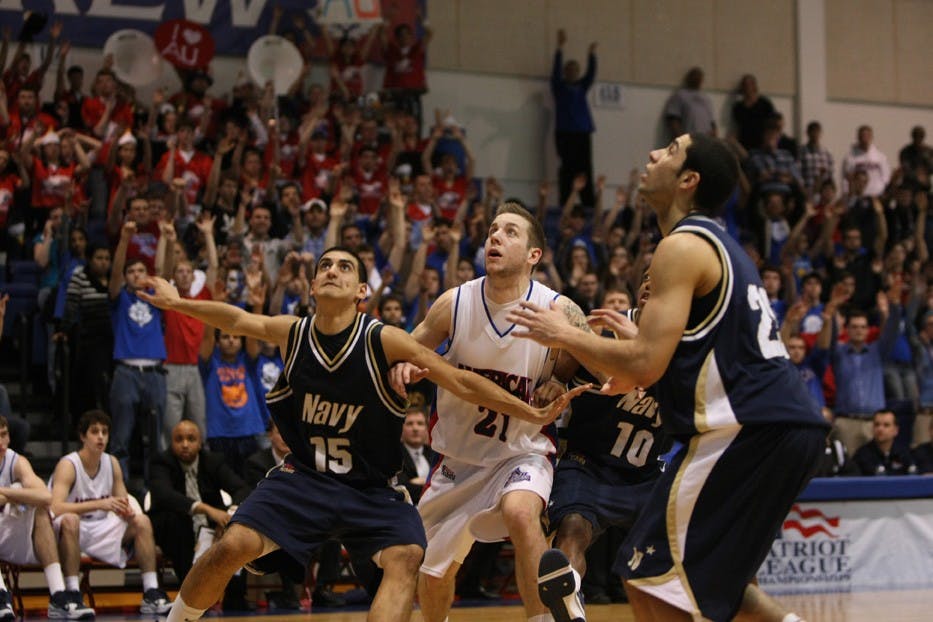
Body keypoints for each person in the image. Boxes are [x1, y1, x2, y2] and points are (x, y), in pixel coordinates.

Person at [136, 246, 584, 622]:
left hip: (372, 489)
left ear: (362, 292)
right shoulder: (294, 334)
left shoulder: (383, 340)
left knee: (409, 556)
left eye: (344, 267)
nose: (331, 271)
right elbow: (235, 320)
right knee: (230, 545)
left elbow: (462, 381)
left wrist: (528, 409)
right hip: (305, 480)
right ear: (312, 287)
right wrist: (177, 304)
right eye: (324, 267)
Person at [507, 133, 826, 622]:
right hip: (783, 427)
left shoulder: (683, 245)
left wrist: (564, 333)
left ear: (688, 180)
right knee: (707, 583)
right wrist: (634, 372)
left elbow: (642, 363)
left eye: (670, 151)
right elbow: (664, 367)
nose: (653, 154)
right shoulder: (722, 248)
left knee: (649, 579)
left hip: (745, 430)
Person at [389, 203, 595, 622]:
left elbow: (598, 364)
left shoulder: (557, 308)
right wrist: (405, 364)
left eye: (510, 232)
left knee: (521, 512)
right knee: (432, 572)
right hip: (457, 461)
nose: (495, 238)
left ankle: (549, 617)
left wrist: (562, 378)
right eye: (492, 231)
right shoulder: (455, 303)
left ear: (534, 255)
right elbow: (404, 348)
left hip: (522, 449)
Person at [537, 272, 670, 620]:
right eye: (644, 277)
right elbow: (574, 349)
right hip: (590, 463)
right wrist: (556, 379)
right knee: (573, 530)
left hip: (645, 473)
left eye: (659, 278)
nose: (648, 283)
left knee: (696, 542)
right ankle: (568, 608)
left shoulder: (682, 343)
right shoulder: (608, 328)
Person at [49, 410, 172, 615]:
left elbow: (121, 502)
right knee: (70, 520)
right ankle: (72, 593)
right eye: (95, 432)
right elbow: (55, 507)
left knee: (142, 521)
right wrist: (100, 504)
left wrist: (127, 512)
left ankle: (151, 591)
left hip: (101, 527)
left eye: (105, 432)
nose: (100, 437)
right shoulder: (68, 465)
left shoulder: (111, 462)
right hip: (72, 530)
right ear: (82, 436)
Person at [0, 415, 93, 620]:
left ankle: (59, 595)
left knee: (41, 509)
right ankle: (1, 597)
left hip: (11, 534)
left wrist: (6, 493)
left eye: (4, 435)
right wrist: (19, 493)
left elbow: (45, 496)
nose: (1, 442)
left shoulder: (16, 460)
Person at [148, 420, 252, 593]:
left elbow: (242, 488)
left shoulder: (213, 461)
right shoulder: (161, 462)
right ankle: (190, 593)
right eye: (179, 439)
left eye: (191, 439)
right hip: (174, 528)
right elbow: (163, 495)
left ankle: (236, 598)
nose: (185, 444)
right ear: (171, 442)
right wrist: (205, 509)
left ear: (200, 442)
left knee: (236, 528)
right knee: (178, 524)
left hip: (211, 527)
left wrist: (230, 516)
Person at [551, 29, 597, 207]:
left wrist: (591, 55)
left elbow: (591, 75)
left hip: (582, 133)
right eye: (569, 70)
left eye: (575, 70)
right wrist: (559, 48)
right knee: (567, 169)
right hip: (564, 133)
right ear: (565, 72)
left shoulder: (581, 87)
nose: (572, 72)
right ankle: (565, 203)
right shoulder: (558, 87)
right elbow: (555, 72)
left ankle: (588, 204)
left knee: (585, 168)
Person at [851, 410, 917, 476]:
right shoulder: (862, 455)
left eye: (886, 425)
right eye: (877, 425)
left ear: (896, 430)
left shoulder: (905, 454)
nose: (880, 429)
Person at [397, 409, 436, 504]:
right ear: (402, 429)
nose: (415, 428)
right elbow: (401, 488)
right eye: (410, 424)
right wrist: (430, 483)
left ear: (427, 428)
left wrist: (419, 482)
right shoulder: (395, 454)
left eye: (420, 423)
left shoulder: (434, 452)